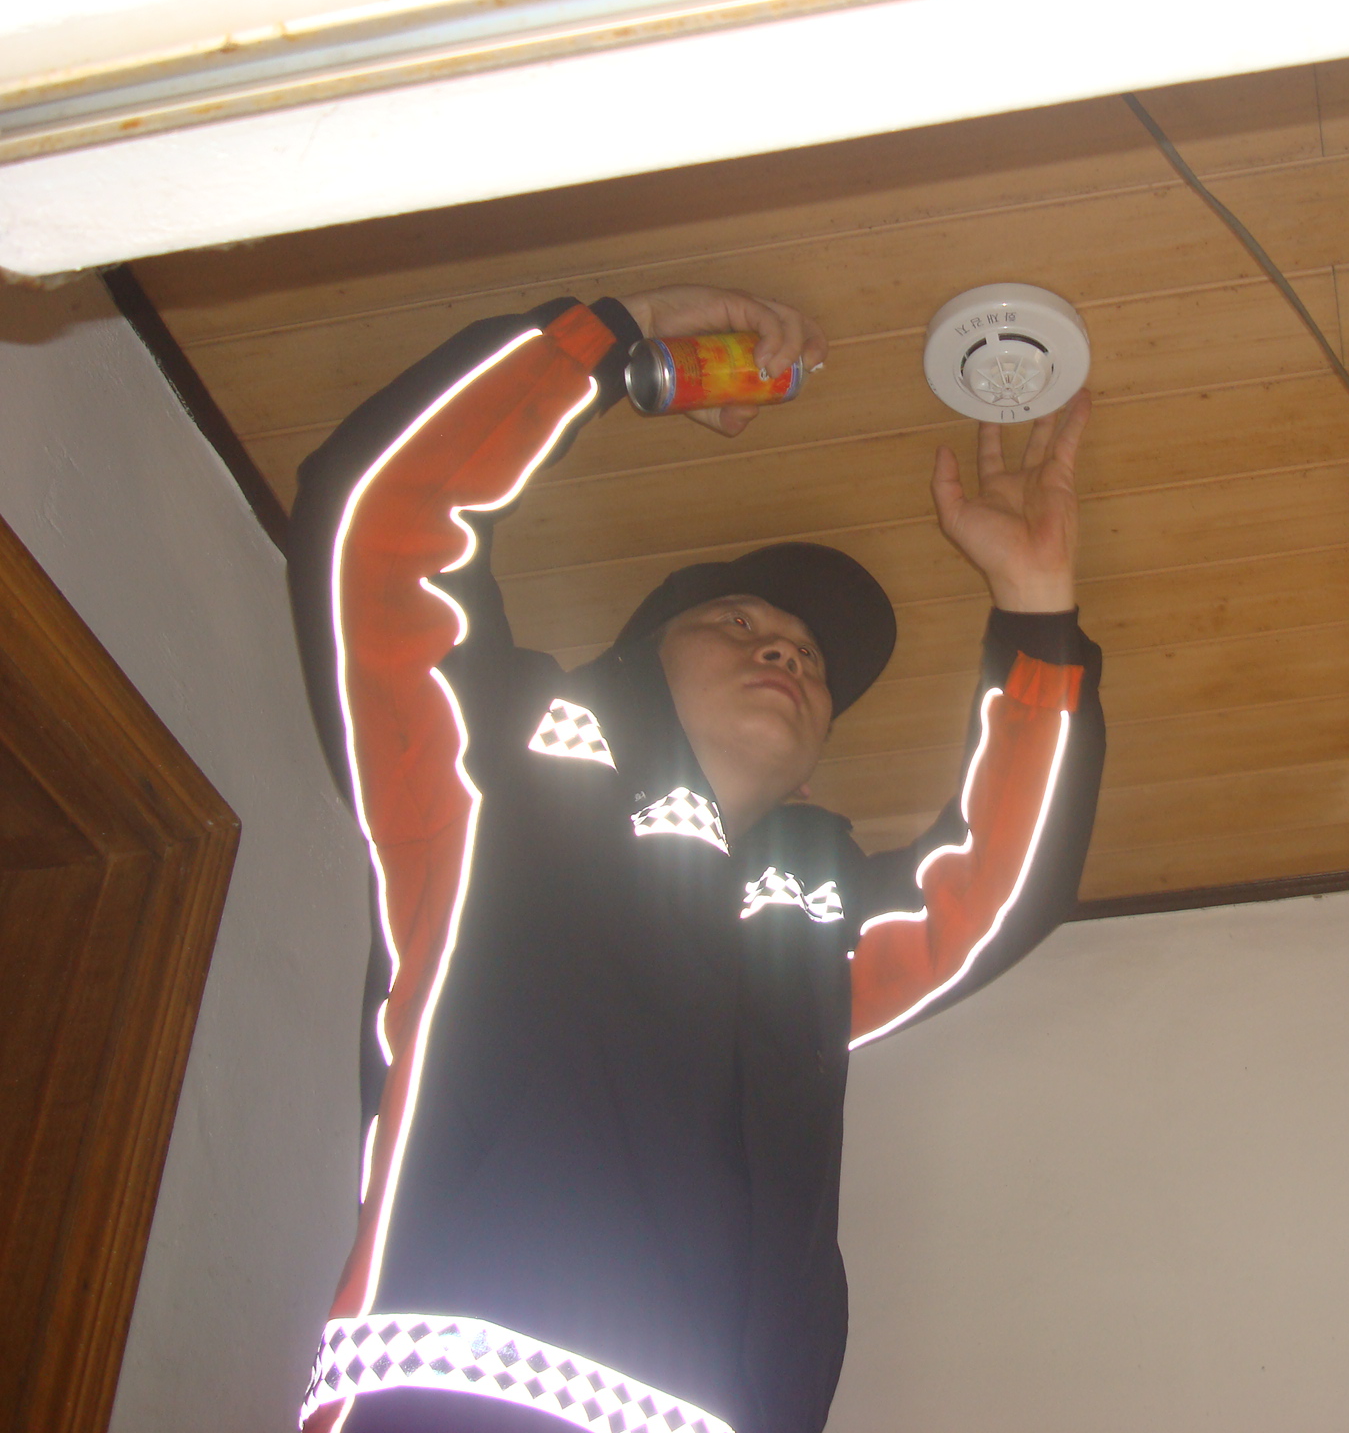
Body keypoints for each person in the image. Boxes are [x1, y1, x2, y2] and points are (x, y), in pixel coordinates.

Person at [285, 284, 1105, 1433]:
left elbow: (995, 889)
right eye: (736, 623)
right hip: (444, 1407)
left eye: (811, 661)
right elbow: (380, 526)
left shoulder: (807, 930)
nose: (785, 653)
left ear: (810, 771)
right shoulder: (491, 779)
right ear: (631, 666)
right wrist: (613, 339)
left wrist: (1033, 604)